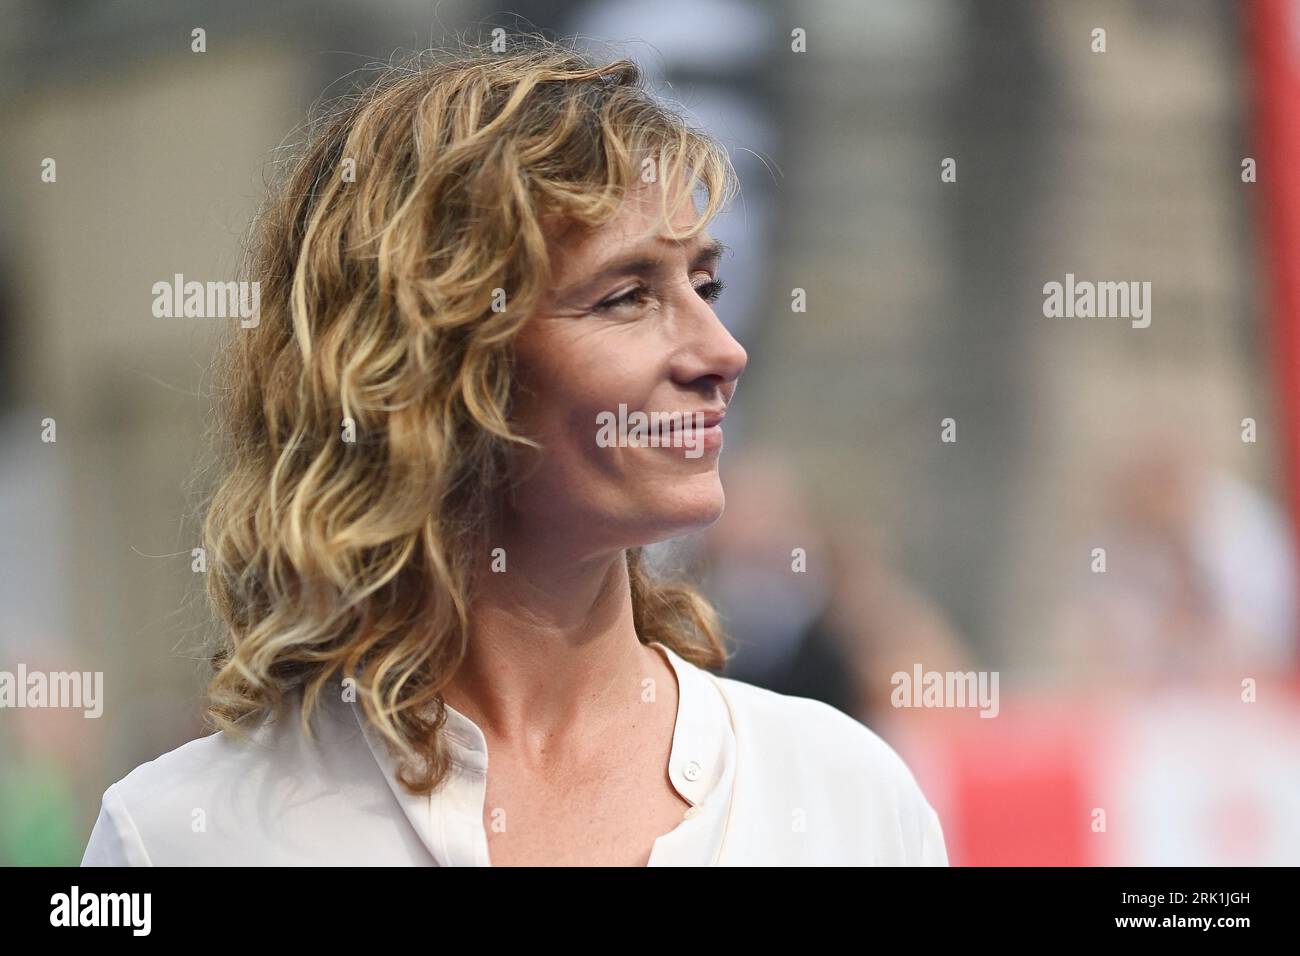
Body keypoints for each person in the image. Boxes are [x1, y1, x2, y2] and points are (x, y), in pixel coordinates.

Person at [80, 37, 947, 866]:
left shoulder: (844, 795)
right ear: (435, 361)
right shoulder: (185, 835)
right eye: (627, 296)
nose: (721, 350)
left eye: (706, 284)